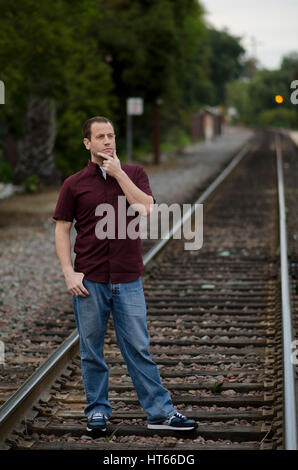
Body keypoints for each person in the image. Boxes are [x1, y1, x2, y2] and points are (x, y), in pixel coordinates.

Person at [53, 116, 198, 433]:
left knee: (137, 347)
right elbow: (62, 229)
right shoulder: (73, 184)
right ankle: (97, 411)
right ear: (87, 143)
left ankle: (160, 412)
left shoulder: (134, 173)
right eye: (100, 136)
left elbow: (146, 208)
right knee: (91, 350)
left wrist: (118, 174)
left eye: (111, 135)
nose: (108, 141)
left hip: (127, 279)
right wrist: (68, 272)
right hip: (89, 280)